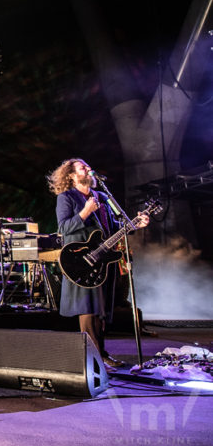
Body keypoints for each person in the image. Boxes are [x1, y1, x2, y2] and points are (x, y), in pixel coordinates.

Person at [47, 158, 149, 369]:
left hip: (102, 258)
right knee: (87, 307)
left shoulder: (101, 196)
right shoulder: (66, 197)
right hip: (80, 259)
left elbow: (115, 229)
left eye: (87, 166)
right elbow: (64, 228)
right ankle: (94, 357)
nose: (88, 169)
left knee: (101, 309)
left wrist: (136, 224)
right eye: (82, 168)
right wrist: (85, 211)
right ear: (71, 176)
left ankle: (100, 354)